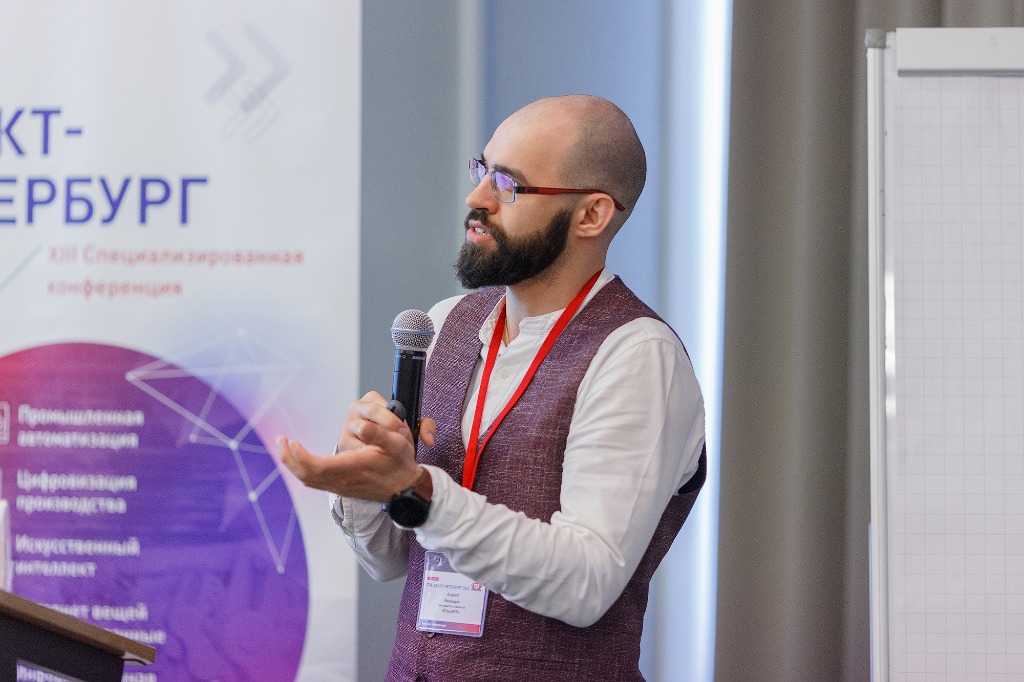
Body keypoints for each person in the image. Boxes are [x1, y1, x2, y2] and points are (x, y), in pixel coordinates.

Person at [279, 94, 706, 681]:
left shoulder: (636, 355)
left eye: (508, 184)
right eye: (481, 170)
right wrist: (367, 479)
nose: (476, 198)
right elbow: (391, 560)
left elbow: (586, 582)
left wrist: (420, 489)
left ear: (591, 215)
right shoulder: (447, 324)